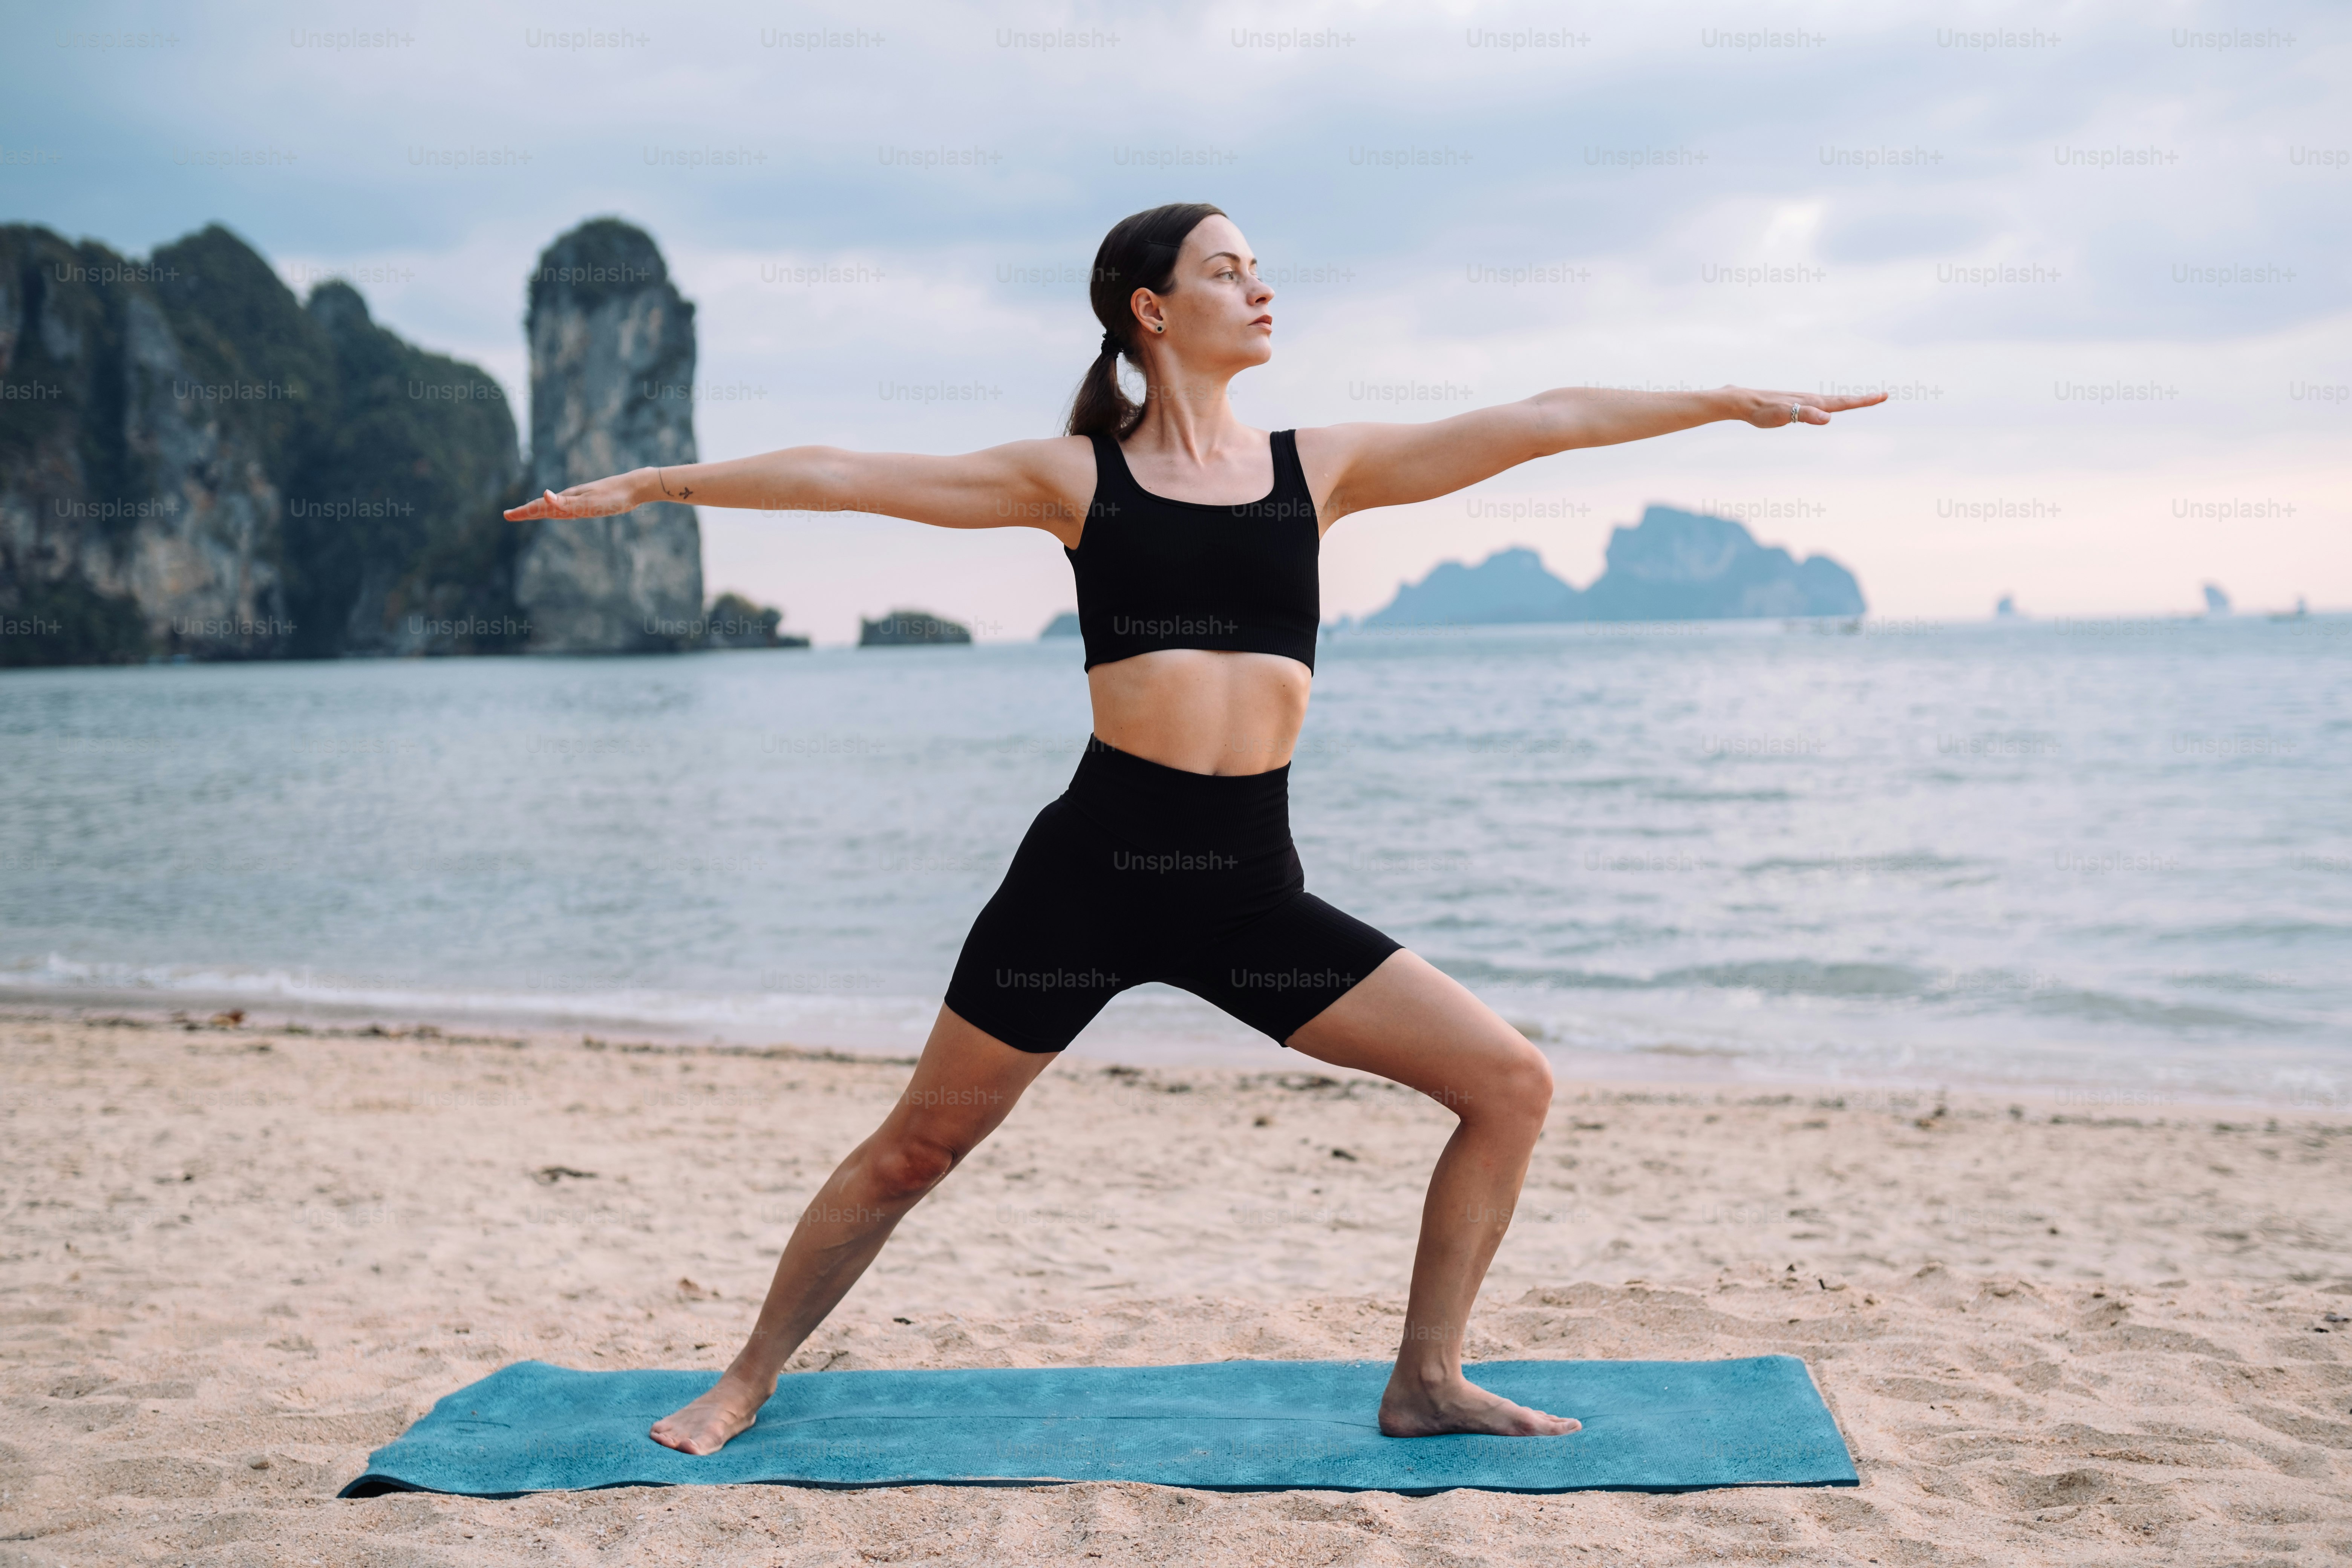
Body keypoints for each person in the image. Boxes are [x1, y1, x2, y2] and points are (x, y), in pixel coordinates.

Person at [505, 202, 1885, 1456]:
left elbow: (1547, 418)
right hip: (1091, 877)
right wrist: (658, 485)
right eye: (1229, 270)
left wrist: (1727, 402)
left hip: (1245, 892)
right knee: (918, 1149)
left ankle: (1427, 1380)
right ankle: (748, 1375)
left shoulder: (1322, 465)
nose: (1262, 288)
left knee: (1508, 1085)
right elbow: (846, 475)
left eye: (1263, 268)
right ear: (1151, 311)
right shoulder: (1074, 479)